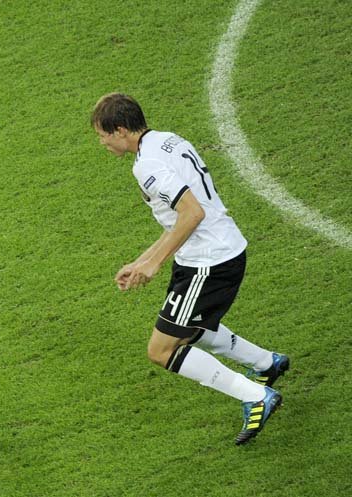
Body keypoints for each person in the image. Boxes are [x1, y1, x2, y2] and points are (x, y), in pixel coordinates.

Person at [90, 93, 289, 445]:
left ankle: (257, 396)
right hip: (210, 253)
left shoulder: (146, 166)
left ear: (120, 130)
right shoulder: (166, 140)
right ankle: (265, 363)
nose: (102, 142)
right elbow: (178, 220)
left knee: (161, 350)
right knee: (187, 328)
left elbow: (192, 214)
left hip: (208, 263)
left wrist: (154, 263)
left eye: (103, 135)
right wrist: (141, 261)